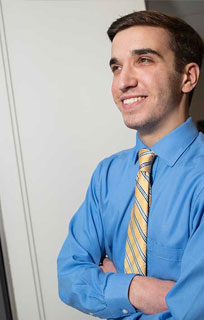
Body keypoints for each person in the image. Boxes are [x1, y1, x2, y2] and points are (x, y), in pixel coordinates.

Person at [57, 10, 204, 319]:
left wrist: (109, 286)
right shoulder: (106, 176)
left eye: (144, 60)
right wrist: (138, 290)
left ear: (187, 77)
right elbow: (70, 277)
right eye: (116, 66)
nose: (123, 82)